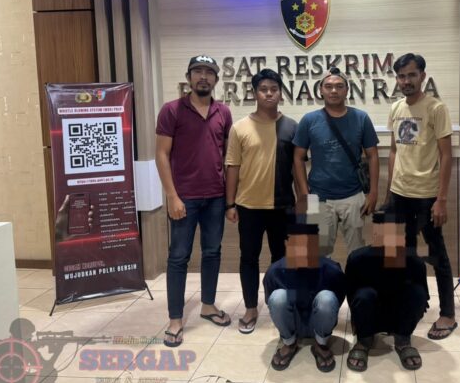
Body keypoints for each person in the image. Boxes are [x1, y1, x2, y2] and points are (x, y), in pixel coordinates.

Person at [155, 55, 233, 348]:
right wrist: (172, 196)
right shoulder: (172, 110)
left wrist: (229, 199)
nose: (203, 77)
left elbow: (228, 155)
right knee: (178, 257)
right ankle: (175, 319)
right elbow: (161, 154)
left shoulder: (223, 112)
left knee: (212, 252)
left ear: (216, 79)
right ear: (188, 77)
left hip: (215, 196)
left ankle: (208, 305)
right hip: (184, 197)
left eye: (209, 72)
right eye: (197, 71)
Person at [384, 52, 457, 341]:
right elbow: (394, 150)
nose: (406, 81)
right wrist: (389, 192)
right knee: (402, 254)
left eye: (412, 75)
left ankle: (448, 313)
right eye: (402, 76)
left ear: (422, 76)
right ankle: (414, 303)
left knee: (437, 254)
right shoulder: (396, 108)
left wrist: (442, 199)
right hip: (399, 194)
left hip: (427, 195)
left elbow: (446, 155)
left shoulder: (436, 108)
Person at [225, 68, 298, 334]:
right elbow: (232, 166)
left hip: (283, 206)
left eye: (274, 89)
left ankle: (280, 307)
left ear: (280, 93)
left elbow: (299, 169)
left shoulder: (292, 127)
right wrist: (230, 204)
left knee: (282, 259)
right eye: (263, 89)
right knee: (249, 259)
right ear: (254, 93)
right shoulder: (240, 128)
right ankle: (250, 309)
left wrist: (306, 203)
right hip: (249, 207)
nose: (269, 93)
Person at [293, 67, 380, 257]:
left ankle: (354, 278)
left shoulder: (361, 118)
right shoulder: (309, 120)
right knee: (320, 253)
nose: (334, 90)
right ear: (321, 90)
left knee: (357, 253)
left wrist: (373, 193)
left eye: (339, 86)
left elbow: (373, 155)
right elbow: (298, 157)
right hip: (319, 197)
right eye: (329, 86)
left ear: (347, 90)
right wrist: (304, 194)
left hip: (353, 196)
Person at [264, 201, 345, 373]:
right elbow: (271, 303)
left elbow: (337, 300)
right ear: (287, 243)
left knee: (327, 298)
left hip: (320, 322)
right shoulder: (275, 271)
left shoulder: (331, 269)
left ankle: (320, 345)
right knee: (277, 297)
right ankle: (289, 343)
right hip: (293, 321)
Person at [345, 211, 429, 372]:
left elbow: (423, 299)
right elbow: (351, 296)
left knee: (417, 293)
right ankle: (364, 340)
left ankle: (403, 340)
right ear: (375, 233)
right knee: (363, 295)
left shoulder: (414, 261)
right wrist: (358, 323)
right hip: (369, 312)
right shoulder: (357, 259)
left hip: (399, 315)